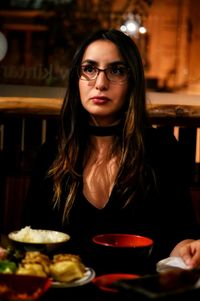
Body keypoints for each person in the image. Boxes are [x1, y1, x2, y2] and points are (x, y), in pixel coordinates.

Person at [21, 28, 199, 273]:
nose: (101, 83)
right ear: (77, 79)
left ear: (132, 80)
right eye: (90, 69)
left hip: (139, 292)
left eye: (116, 70)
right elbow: (30, 238)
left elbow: (181, 236)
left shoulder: (161, 148)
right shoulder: (52, 152)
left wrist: (188, 248)